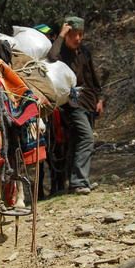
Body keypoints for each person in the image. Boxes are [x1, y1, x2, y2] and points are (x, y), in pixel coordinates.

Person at [47, 15, 104, 195]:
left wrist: (100, 99)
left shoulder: (85, 52)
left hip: (89, 101)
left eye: (80, 34)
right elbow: (51, 56)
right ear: (67, 34)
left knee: (75, 142)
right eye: (74, 35)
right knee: (87, 138)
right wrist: (61, 36)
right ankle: (79, 181)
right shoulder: (61, 52)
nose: (78, 38)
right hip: (72, 103)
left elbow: (92, 78)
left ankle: (76, 183)